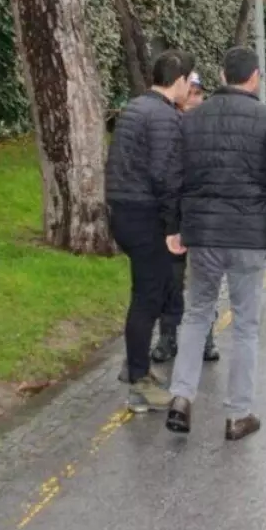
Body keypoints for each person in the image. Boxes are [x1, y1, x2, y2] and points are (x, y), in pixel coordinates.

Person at [165, 47, 266, 441]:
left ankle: (180, 396)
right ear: (255, 76)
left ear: (222, 74)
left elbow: (176, 178)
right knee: (245, 323)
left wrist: (174, 227)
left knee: (197, 313)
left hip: (204, 235)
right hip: (247, 235)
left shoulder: (193, 119)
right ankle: (238, 414)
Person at [105, 50, 191, 411]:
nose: (190, 88)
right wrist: (174, 227)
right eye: (190, 80)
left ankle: (136, 366)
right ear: (180, 81)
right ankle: (138, 382)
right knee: (148, 296)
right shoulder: (165, 117)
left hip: (121, 211)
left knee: (146, 291)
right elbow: (165, 176)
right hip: (145, 216)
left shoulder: (134, 108)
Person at [151, 71, 220, 364]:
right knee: (171, 279)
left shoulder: (211, 127)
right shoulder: (166, 125)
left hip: (203, 215)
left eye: (199, 93)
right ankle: (168, 336)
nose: (195, 99)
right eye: (190, 93)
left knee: (206, 280)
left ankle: (206, 337)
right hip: (172, 216)